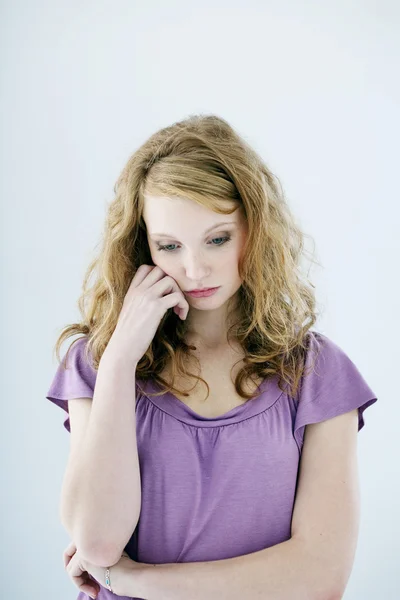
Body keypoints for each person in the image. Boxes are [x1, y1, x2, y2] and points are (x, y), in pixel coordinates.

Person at [46, 114, 378, 600]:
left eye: (217, 239)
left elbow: (319, 578)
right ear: (144, 245)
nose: (194, 268)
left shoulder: (316, 373)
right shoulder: (99, 363)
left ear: (254, 229)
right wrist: (119, 360)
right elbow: (97, 542)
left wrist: (134, 579)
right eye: (169, 246)